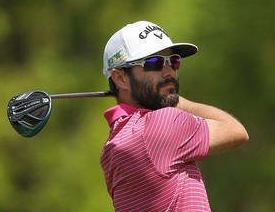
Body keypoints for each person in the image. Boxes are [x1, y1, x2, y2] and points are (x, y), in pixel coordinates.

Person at [100, 20, 249, 212]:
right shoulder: (163, 123)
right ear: (120, 78)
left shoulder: (112, 146)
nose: (170, 71)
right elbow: (237, 131)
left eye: (174, 61)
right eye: (155, 62)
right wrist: (177, 100)